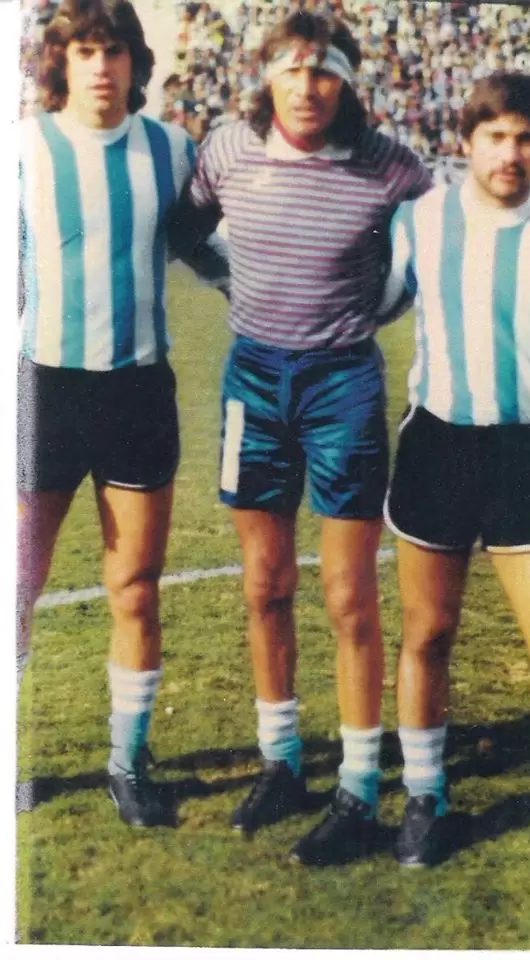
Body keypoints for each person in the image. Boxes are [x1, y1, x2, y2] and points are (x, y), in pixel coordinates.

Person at [172, 9, 432, 865]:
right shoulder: (227, 150)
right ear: (267, 77)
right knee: (264, 583)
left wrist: (380, 308)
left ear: (346, 84)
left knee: (349, 596)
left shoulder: (389, 165)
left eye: (324, 71)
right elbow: (185, 231)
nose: (307, 85)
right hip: (252, 380)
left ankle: (358, 789)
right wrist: (228, 282)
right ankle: (280, 763)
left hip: (342, 385)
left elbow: (437, 246)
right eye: (290, 69)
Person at [380, 72, 530, 890]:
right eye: (494, 136)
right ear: (466, 141)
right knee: (426, 636)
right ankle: (423, 797)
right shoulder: (419, 220)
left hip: (527, 457)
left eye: (525, 138)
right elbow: (365, 307)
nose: (509, 153)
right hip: (436, 447)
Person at [17, 0, 227, 827]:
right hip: (43, 391)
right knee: (15, 585)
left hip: (137, 393)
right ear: (61, 62)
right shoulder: (23, 149)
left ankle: (127, 763)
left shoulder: (171, 150)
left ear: (137, 62)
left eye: (114, 52)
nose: (101, 67)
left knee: (134, 589)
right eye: (85, 51)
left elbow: (203, 252)